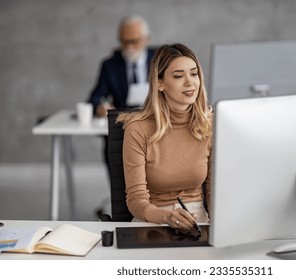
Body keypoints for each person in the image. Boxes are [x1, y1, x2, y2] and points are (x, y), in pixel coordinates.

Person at [117, 43, 213, 230]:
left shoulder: (210, 125)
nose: (189, 82)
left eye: (194, 74)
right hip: (152, 220)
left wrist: (223, 227)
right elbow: (136, 199)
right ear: (160, 83)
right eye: (178, 76)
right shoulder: (137, 128)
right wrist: (167, 217)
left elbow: (213, 190)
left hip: (198, 221)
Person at [88, 15, 155, 168]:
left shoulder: (160, 61)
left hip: (155, 123)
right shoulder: (110, 65)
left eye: (134, 41)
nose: (128, 47)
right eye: (123, 42)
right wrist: (100, 107)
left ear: (146, 39)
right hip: (123, 128)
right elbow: (94, 98)